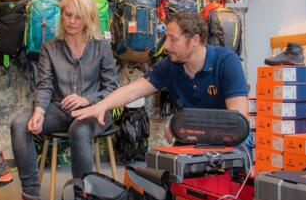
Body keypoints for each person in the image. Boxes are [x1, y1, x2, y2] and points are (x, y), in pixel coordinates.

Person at [5, 0, 119, 200]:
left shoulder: (101, 47)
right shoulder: (50, 47)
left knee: (79, 130)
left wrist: (87, 100)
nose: (72, 21)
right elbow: (44, 85)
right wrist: (38, 111)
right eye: (68, 15)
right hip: (60, 108)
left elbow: (112, 88)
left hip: (95, 111)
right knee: (20, 124)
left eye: (78, 17)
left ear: (88, 18)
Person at [73, 11, 252, 149]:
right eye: (166, 38)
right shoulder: (170, 65)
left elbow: (237, 122)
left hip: (229, 146)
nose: (165, 46)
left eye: (173, 40)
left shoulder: (226, 61)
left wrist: (181, 122)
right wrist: (101, 106)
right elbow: (132, 91)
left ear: (195, 40)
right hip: (191, 142)